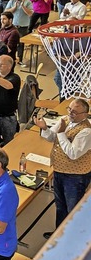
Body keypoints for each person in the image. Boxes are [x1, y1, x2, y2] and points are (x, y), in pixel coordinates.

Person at [34, 99, 91, 238]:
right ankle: (59, 236)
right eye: (69, 109)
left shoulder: (86, 131)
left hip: (75, 176)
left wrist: (61, 133)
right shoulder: (65, 119)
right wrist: (44, 128)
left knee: (73, 210)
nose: (70, 113)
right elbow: (51, 137)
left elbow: (73, 153)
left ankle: (73, 240)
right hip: (59, 171)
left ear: (85, 114)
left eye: (75, 112)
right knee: (60, 207)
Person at [5, 0, 33, 65]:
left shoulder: (28, 2)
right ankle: (10, 58)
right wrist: (14, 7)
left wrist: (23, 6)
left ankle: (20, 59)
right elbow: (6, 11)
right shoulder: (12, 1)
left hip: (23, 27)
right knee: (11, 43)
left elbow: (30, 13)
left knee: (21, 44)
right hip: (13, 26)